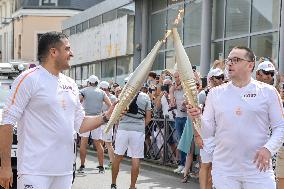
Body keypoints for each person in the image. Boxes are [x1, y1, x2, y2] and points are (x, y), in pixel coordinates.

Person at [0, 32, 116, 189]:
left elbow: (80, 124)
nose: (72, 53)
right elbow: (7, 121)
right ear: (53, 52)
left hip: (64, 172)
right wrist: (5, 166)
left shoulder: (71, 84)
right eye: (67, 49)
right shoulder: (29, 79)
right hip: (34, 171)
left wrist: (106, 116)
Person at [188, 46, 284, 188]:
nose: (230, 63)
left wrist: (268, 149)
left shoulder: (268, 92)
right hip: (225, 169)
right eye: (229, 60)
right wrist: (198, 118)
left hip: (258, 169)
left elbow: (280, 127)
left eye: (236, 60)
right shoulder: (215, 94)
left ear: (250, 65)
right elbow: (208, 132)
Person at [111, 79, 152, 189]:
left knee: (117, 157)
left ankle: (113, 184)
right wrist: (139, 126)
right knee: (136, 158)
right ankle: (132, 186)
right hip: (138, 130)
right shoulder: (145, 97)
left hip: (123, 129)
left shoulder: (122, 95)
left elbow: (117, 114)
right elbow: (148, 118)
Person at [196, 68, 225, 189]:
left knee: (216, 166)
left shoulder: (225, 93)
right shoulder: (203, 94)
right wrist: (197, 136)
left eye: (222, 77)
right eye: (218, 78)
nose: (221, 80)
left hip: (220, 136)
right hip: (206, 136)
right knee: (205, 165)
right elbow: (195, 118)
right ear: (211, 79)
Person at [77, 75, 111, 174]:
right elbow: (110, 105)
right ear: (97, 83)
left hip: (86, 119)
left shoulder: (84, 91)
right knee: (98, 144)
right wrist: (106, 114)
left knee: (83, 143)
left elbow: (77, 101)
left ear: (89, 83)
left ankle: (82, 166)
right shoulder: (102, 92)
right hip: (97, 119)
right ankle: (101, 167)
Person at [169, 71, 187, 173]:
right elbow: (172, 99)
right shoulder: (173, 88)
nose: (176, 78)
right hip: (178, 117)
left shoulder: (186, 86)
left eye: (178, 76)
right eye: (175, 77)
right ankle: (181, 164)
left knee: (185, 142)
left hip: (186, 117)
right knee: (180, 141)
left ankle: (186, 165)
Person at [99, 81, 117, 169]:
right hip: (99, 123)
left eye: (104, 89)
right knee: (101, 143)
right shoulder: (99, 97)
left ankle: (112, 163)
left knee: (108, 144)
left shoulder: (113, 98)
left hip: (108, 124)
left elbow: (115, 111)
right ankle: (101, 163)